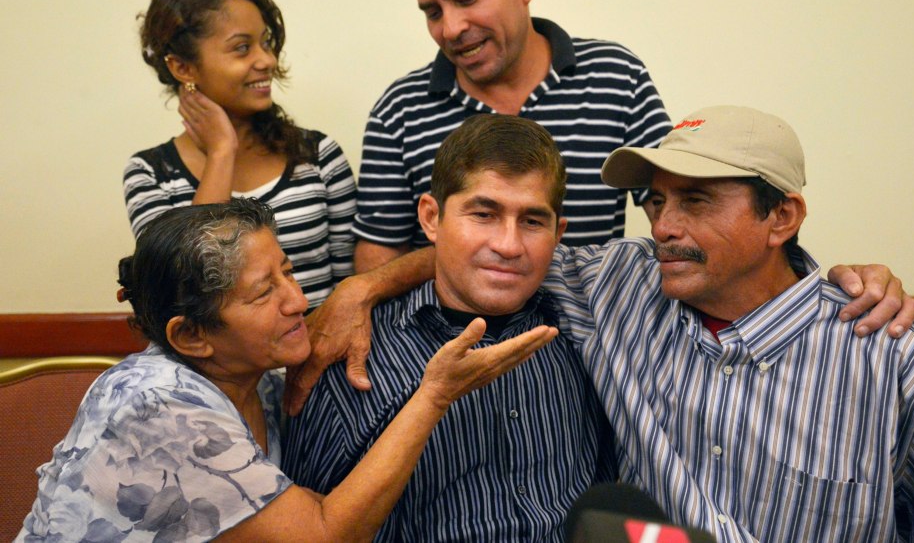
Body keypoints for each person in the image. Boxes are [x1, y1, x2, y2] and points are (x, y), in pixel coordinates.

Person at [16, 199, 556, 542]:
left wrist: (361, 284)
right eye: (262, 292)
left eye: (288, 272)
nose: (297, 300)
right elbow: (324, 536)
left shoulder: (263, 383)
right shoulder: (156, 402)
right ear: (191, 336)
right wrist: (434, 395)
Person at [545, 106, 914, 540]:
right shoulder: (621, 288)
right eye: (657, 200)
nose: (663, 226)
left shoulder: (897, 362)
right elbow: (502, 251)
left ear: (782, 217)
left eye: (695, 201)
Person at [283, 116, 616, 541]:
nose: (509, 245)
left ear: (558, 233)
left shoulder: (584, 334)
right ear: (431, 218)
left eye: (533, 222)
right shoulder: (353, 358)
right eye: (484, 214)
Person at [351, 0, 672, 272]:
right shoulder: (399, 110)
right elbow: (377, 267)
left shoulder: (618, 77)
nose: (451, 28)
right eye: (433, 12)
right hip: (455, 331)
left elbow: (676, 216)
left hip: (594, 328)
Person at [124, 0, 356, 309]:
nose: (267, 61)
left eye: (265, 43)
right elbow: (183, 290)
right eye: (242, 48)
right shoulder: (149, 174)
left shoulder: (318, 156)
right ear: (183, 68)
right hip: (206, 363)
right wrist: (221, 153)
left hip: (320, 357)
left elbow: (351, 288)